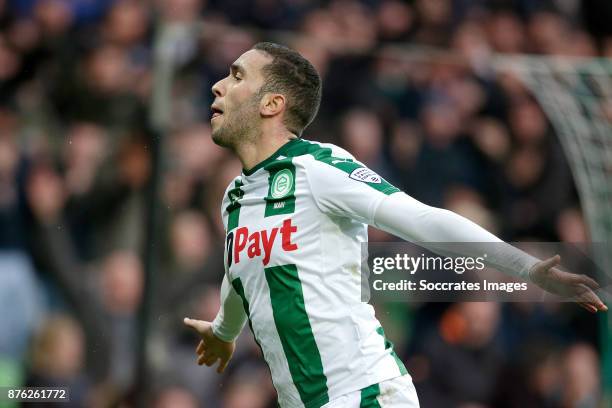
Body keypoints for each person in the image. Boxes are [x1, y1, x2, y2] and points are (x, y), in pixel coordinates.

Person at [183, 42, 606, 408]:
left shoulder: (317, 168)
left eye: (236, 75)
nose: (219, 85)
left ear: (272, 103)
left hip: (364, 394)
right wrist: (223, 331)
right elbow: (242, 273)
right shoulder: (235, 197)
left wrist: (526, 269)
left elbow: (423, 219)